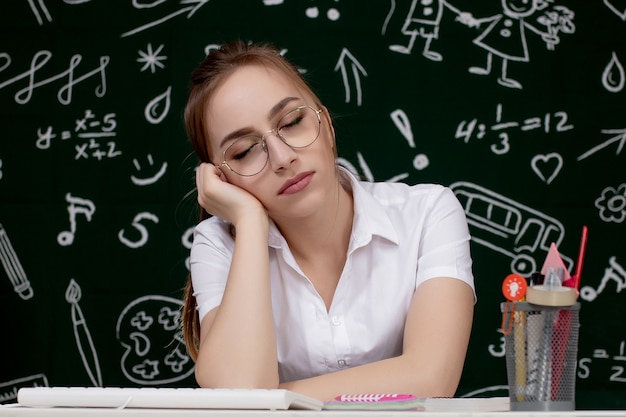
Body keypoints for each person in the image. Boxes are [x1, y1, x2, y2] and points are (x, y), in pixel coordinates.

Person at [181, 39, 475, 401]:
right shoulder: (219, 243)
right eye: (244, 151)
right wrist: (250, 221)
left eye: (292, 122)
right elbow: (238, 390)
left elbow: (432, 377)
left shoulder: (428, 212)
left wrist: (272, 397)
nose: (282, 157)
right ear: (222, 180)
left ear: (327, 125)